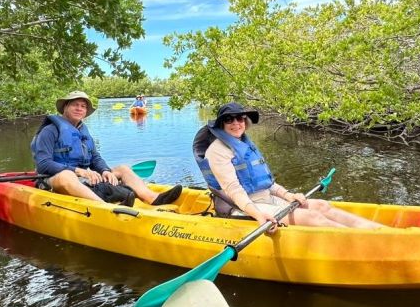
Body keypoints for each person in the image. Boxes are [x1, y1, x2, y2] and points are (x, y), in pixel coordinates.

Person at [193, 102, 382, 229]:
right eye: (229, 120)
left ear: (245, 121)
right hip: (243, 206)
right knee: (312, 218)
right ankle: (368, 242)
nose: (236, 123)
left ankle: (378, 232)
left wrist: (288, 195)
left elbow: (268, 183)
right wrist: (258, 215)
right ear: (221, 124)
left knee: (322, 206)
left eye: (240, 118)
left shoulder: (245, 143)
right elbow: (234, 190)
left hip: (267, 199)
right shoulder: (217, 150)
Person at [32, 91, 182, 206]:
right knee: (67, 175)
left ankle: (153, 198)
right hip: (53, 179)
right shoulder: (50, 131)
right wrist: (78, 171)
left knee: (122, 168)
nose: (79, 108)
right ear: (65, 107)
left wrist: (104, 170)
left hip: (82, 178)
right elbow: (43, 164)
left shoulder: (83, 132)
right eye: (75, 105)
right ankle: (103, 208)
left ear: (86, 112)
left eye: (83, 106)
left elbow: (95, 158)